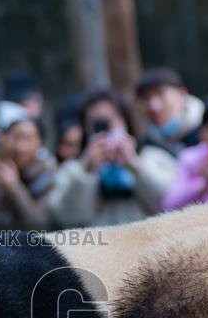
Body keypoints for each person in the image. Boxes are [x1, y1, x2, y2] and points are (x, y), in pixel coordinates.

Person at [48, 89, 179, 226]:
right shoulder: (74, 169)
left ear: (125, 121)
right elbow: (67, 217)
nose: (106, 130)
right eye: (96, 124)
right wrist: (87, 170)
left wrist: (135, 165)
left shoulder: (152, 157)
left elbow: (173, 202)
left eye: (110, 120)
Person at [0, 116, 55, 230]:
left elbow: (39, 225)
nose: (20, 147)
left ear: (39, 143)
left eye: (27, 139)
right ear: (3, 139)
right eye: (15, 137)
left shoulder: (47, 176)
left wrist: (14, 187)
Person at [135, 67, 204, 155]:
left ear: (182, 94)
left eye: (160, 94)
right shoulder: (145, 144)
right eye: (146, 98)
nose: (153, 106)